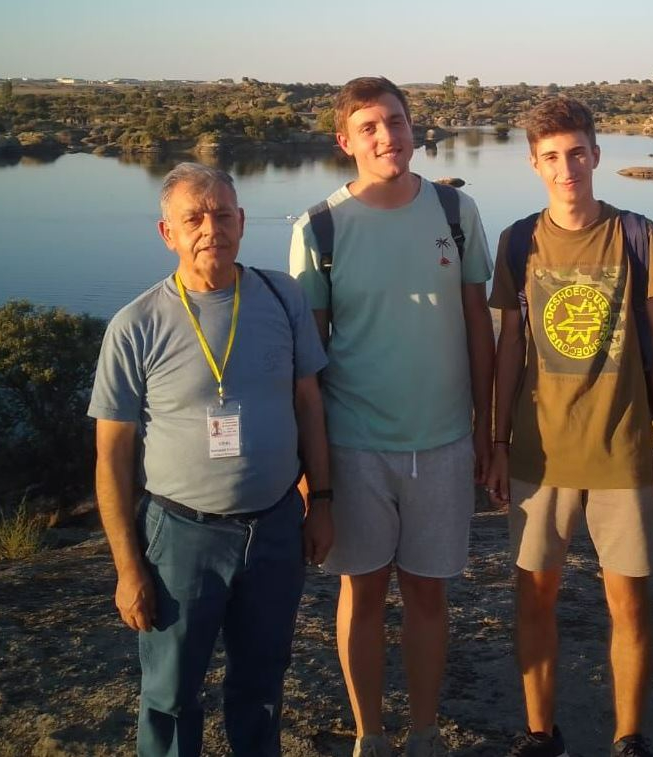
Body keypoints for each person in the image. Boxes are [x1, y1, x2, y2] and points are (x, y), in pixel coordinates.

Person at [90, 162, 332, 757]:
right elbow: (112, 457)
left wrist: (322, 501)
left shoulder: (283, 295)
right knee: (170, 695)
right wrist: (128, 569)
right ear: (166, 232)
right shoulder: (135, 326)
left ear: (243, 222)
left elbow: (309, 404)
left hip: (275, 528)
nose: (210, 228)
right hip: (182, 537)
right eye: (193, 218)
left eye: (223, 214)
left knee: (263, 684)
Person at [288, 76, 495, 757]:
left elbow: (478, 328)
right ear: (345, 140)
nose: (388, 136)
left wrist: (488, 431)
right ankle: (370, 735)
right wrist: (309, 472)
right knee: (365, 592)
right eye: (371, 126)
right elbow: (306, 364)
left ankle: (426, 732)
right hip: (355, 446)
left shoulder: (456, 212)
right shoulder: (318, 227)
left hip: (442, 442)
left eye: (397, 122)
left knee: (430, 595)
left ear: (413, 126)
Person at [487, 97, 653, 757]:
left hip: (622, 451)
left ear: (595, 155)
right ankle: (541, 733)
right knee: (534, 598)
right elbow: (511, 347)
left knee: (628, 603)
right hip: (538, 456)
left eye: (576, 153)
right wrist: (497, 440)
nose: (565, 168)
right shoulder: (518, 241)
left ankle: (629, 737)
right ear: (534, 164)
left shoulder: (635, 233)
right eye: (551, 157)